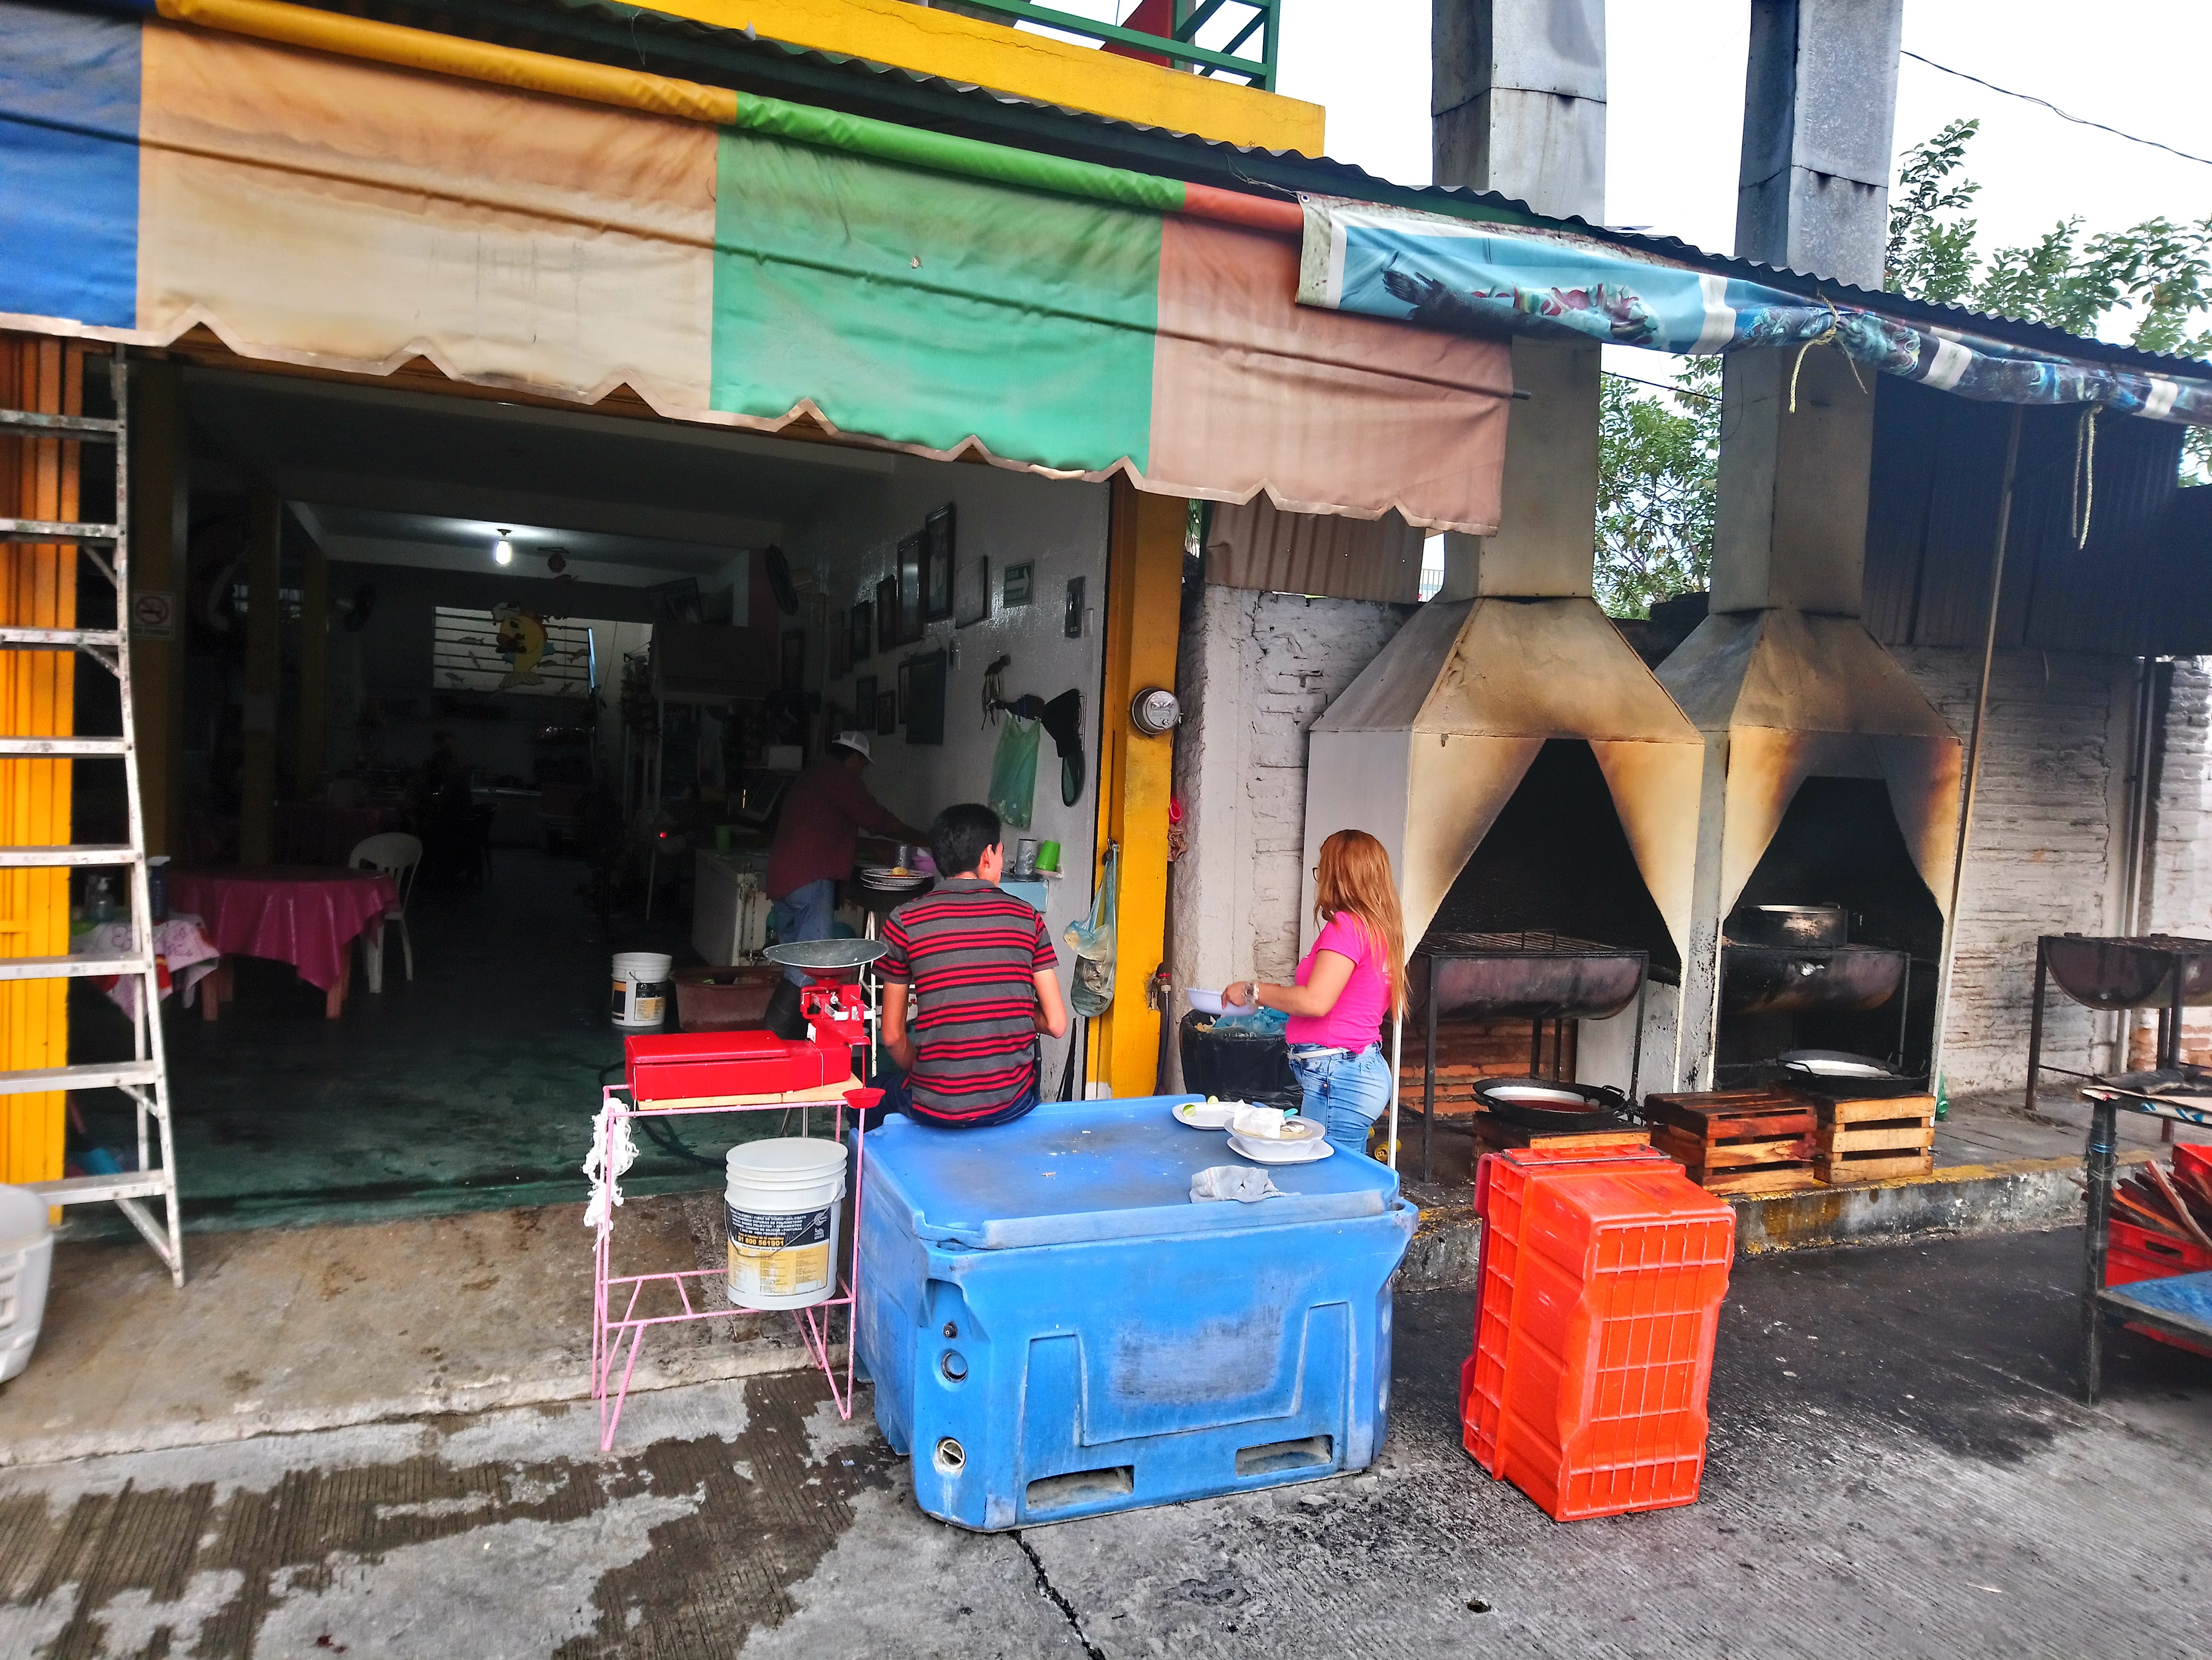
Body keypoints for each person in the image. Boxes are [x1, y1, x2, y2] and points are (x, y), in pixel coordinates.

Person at [873, 803, 1069, 1129]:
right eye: (1001, 853)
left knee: (870, 1096)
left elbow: (892, 1036)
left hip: (935, 1105)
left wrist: (924, 1073)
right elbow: (1057, 1024)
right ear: (988, 857)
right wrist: (1013, 1006)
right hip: (1013, 1103)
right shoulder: (1027, 918)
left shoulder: (904, 921)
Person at [1223, 828, 1406, 1159]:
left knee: (1328, 1176)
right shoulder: (1380, 929)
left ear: (1338, 874)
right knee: (1339, 1172)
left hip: (1338, 1074)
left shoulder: (1348, 927)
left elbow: (1315, 1001)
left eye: (1323, 869)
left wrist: (1254, 992)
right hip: (1355, 1069)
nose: (1319, 880)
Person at [764, 731, 929, 1031]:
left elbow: (827, 829)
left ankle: (789, 1043)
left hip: (783, 879)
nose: (862, 772)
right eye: (863, 765)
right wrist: (924, 838)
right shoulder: (840, 777)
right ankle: (775, 1040)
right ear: (854, 758)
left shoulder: (813, 776)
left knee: (795, 966)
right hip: (810, 880)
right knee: (813, 967)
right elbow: (877, 820)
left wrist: (870, 846)